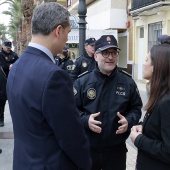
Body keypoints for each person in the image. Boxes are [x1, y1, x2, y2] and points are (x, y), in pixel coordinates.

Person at [6, 2, 91, 170]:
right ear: (58, 31)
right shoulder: (54, 76)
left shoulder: (16, 66)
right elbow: (71, 136)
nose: (67, 38)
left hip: (24, 163)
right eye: (67, 32)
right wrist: (86, 163)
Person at [73, 35, 142, 170]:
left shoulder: (128, 82)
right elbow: (71, 110)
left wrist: (129, 121)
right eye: (105, 53)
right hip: (88, 149)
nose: (110, 57)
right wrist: (85, 120)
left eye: (113, 52)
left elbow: (136, 108)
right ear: (95, 56)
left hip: (116, 152)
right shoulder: (82, 82)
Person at [130, 36, 170, 170]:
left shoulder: (166, 102)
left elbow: (167, 151)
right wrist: (143, 127)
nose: (144, 63)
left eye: (147, 60)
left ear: (156, 66)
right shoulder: (160, 95)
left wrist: (139, 139)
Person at [0, 40, 18, 127]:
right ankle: (1, 118)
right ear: (3, 46)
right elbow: (2, 65)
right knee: (2, 100)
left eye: (9, 48)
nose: (8, 49)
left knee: (15, 100)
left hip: (14, 79)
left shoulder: (14, 54)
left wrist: (13, 65)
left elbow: (19, 63)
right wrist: (10, 66)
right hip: (3, 80)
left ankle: (17, 119)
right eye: (7, 47)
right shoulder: (0, 55)